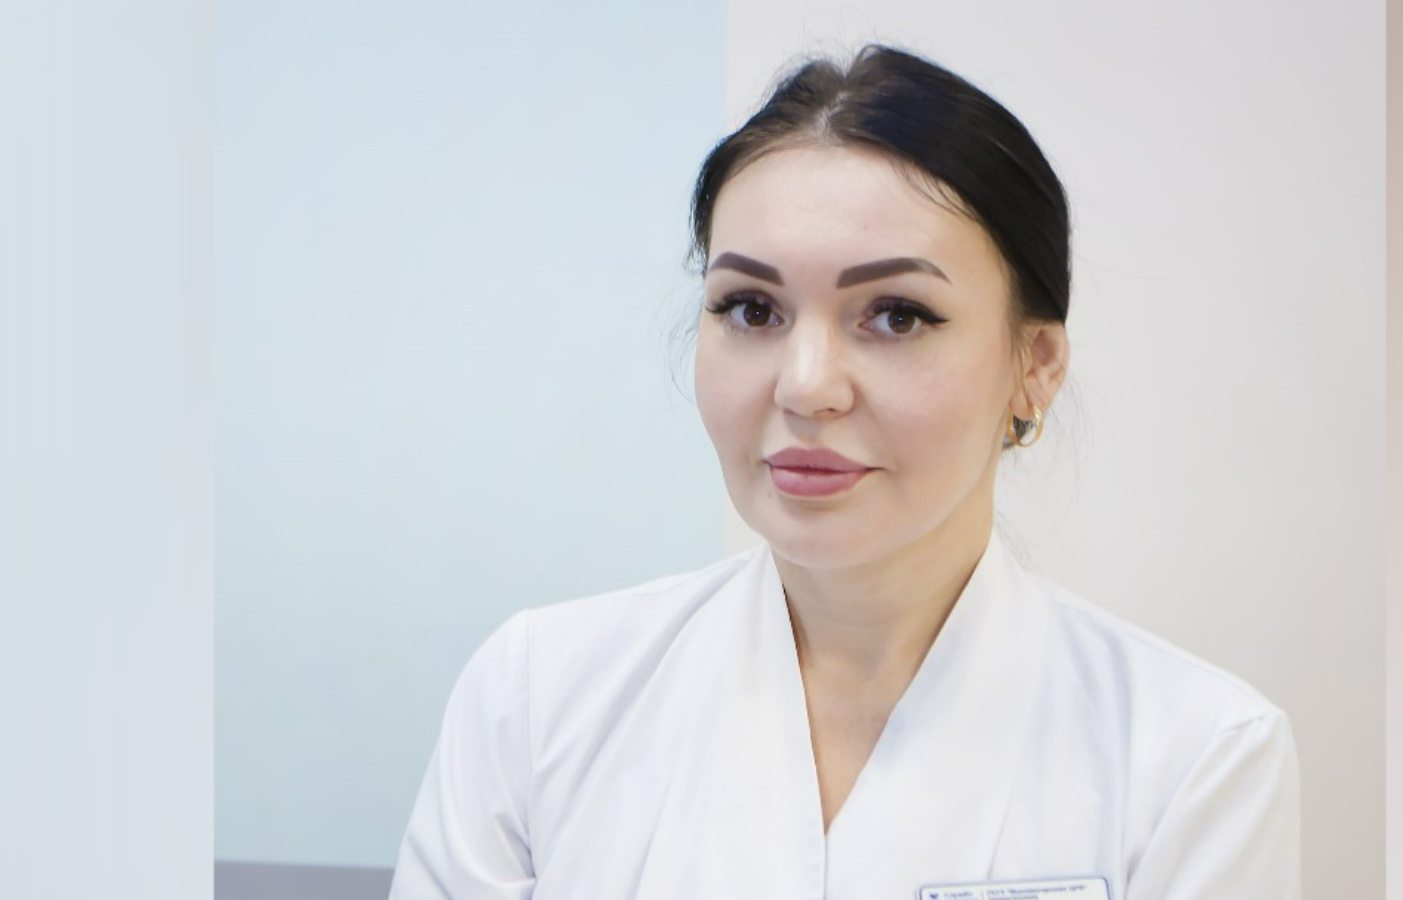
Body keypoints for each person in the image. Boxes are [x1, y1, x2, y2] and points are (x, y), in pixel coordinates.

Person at [388, 44, 1299, 900]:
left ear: (1036, 365)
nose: (806, 386)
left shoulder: (1193, 757)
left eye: (896, 315)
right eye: (752, 309)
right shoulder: (537, 701)